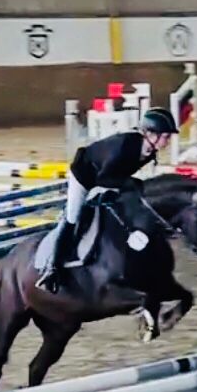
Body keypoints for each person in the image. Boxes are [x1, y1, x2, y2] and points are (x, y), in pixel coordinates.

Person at [37, 107, 178, 292]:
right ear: (151, 134)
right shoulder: (125, 145)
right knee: (72, 218)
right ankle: (52, 268)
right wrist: (130, 183)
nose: (168, 141)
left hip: (108, 177)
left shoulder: (149, 150)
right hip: (85, 176)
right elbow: (102, 178)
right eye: (166, 136)